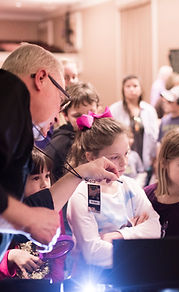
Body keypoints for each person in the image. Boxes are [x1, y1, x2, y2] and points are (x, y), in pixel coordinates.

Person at [0, 43, 119, 259]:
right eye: (61, 100)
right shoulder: (9, 93)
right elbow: (24, 212)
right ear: (41, 78)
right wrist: (28, 219)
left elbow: (24, 207)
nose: (57, 116)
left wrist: (83, 172)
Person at [66, 112, 161, 269]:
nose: (124, 163)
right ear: (90, 157)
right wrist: (140, 242)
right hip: (95, 278)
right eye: (114, 157)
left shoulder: (130, 186)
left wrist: (119, 235)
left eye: (126, 153)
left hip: (130, 275)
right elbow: (93, 253)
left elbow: (154, 227)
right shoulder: (82, 195)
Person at [0, 148, 66, 282]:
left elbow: (59, 250)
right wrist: (10, 256)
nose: (45, 184)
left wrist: (57, 282)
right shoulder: (8, 212)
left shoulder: (53, 208)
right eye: (36, 178)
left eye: (47, 176)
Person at [45, 82, 100, 182]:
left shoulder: (100, 136)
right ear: (66, 116)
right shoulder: (60, 143)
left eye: (91, 113)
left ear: (98, 109)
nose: (86, 119)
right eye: (77, 116)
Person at [109, 75, 159, 177]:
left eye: (135, 86)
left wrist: (155, 158)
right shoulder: (114, 109)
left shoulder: (149, 110)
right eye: (128, 86)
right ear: (123, 89)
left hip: (146, 159)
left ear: (141, 89)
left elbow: (155, 136)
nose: (132, 89)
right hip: (124, 161)